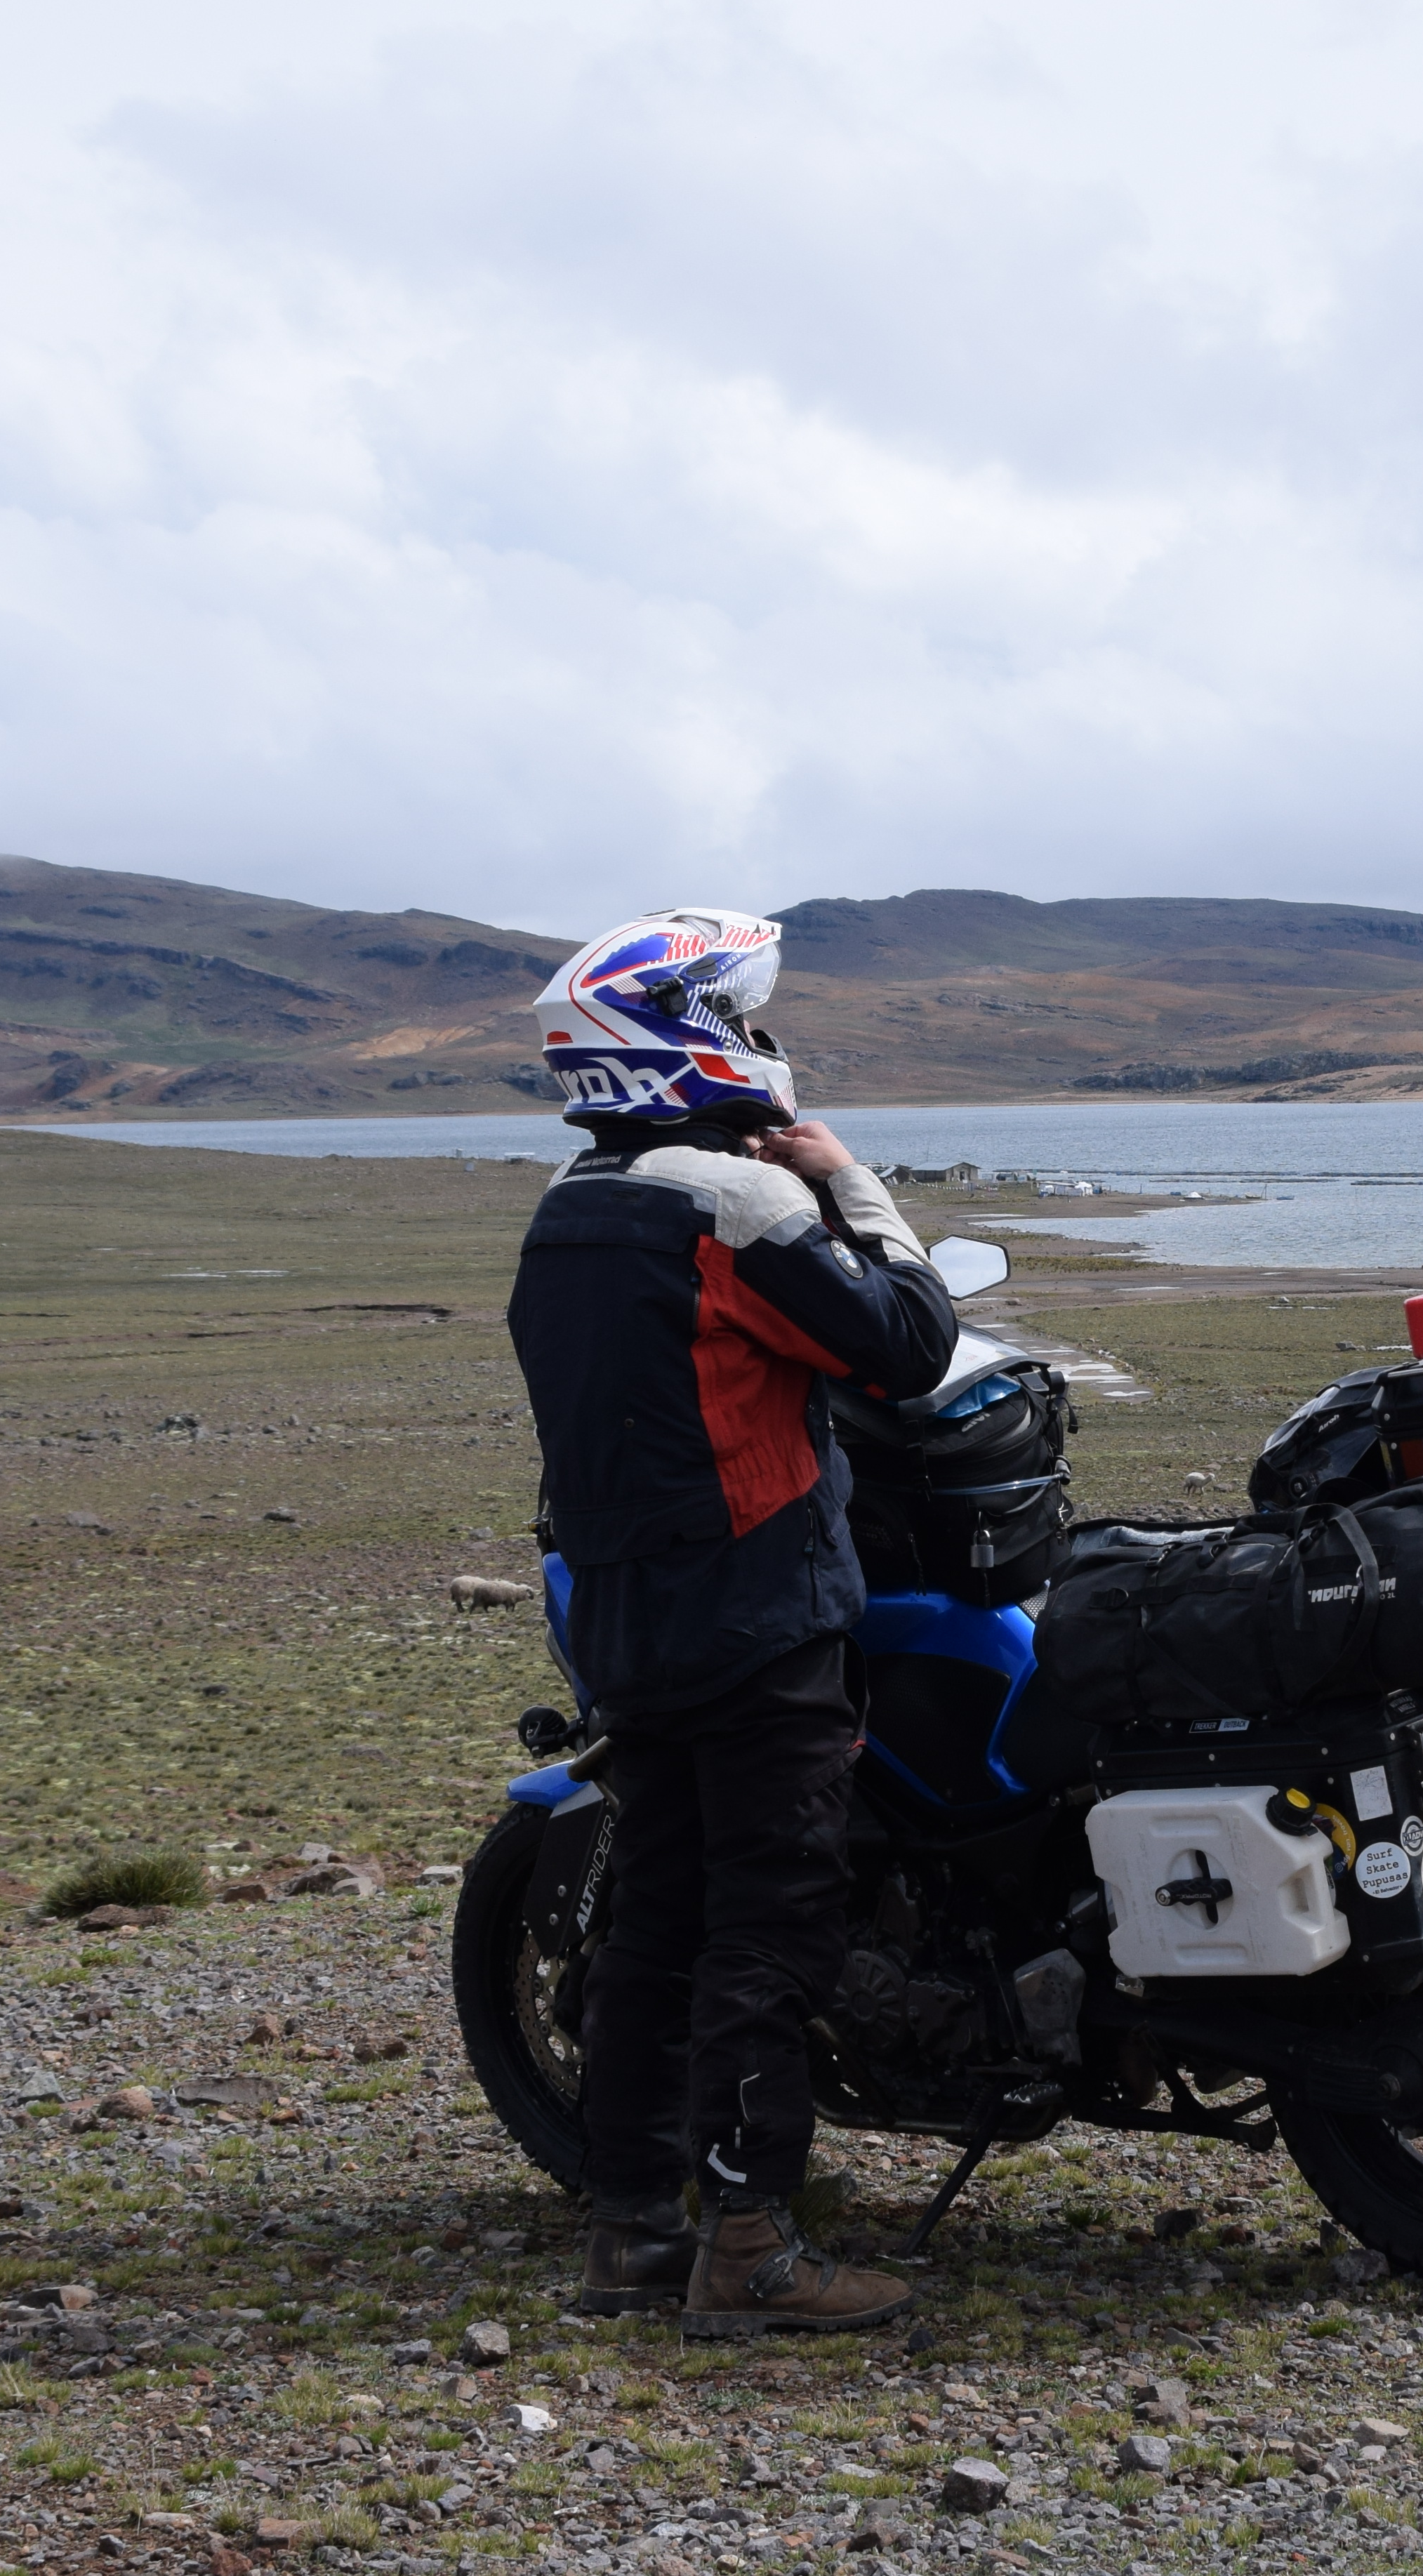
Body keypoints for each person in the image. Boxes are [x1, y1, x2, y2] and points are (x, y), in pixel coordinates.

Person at [505, 908, 959, 2336]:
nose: (761, 1039)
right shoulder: (735, 1203)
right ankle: (751, 2242)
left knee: (656, 1919)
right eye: (741, 1015)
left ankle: (634, 2231)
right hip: (762, 1616)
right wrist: (853, 1184)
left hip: (632, 1620)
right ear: (687, 1034)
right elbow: (907, 1342)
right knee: (774, 1923)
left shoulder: (567, 1212)